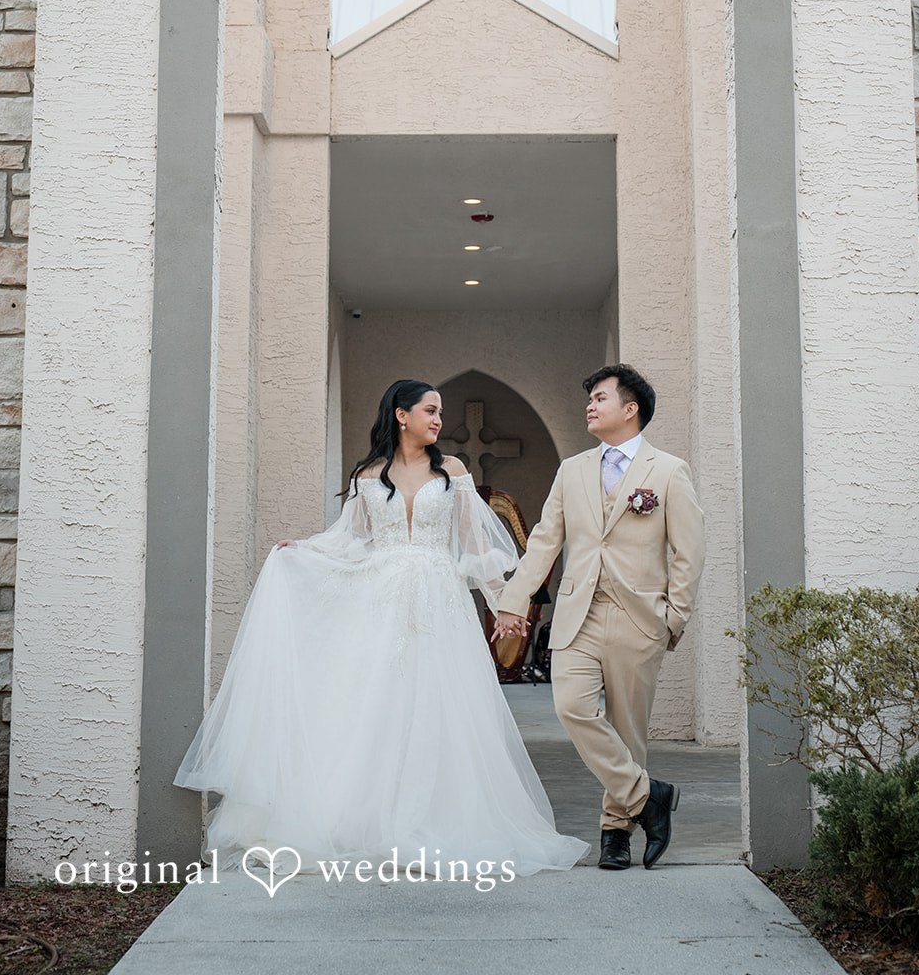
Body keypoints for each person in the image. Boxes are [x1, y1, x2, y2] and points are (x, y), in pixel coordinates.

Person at [173, 378, 588, 881]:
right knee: (378, 706)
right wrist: (302, 552)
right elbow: (352, 541)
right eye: (430, 410)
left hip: (441, 604)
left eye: (440, 411)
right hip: (382, 602)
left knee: (441, 706)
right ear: (401, 414)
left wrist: (506, 603)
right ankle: (372, 821)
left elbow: (474, 545)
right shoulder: (369, 475)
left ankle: (438, 818)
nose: (439, 420)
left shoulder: (453, 471)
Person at [494, 364, 706, 872]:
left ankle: (616, 832)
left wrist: (673, 616)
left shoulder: (668, 471)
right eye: (589, 398)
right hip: (578, 614)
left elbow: (689, 551)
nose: (590, 405)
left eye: (601, 398)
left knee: (628, 729)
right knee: (572, 707)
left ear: (630, 409)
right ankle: (647, 795)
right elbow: (545, 540)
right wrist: (513, 598)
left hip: (639, 617)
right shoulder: (573, 470)